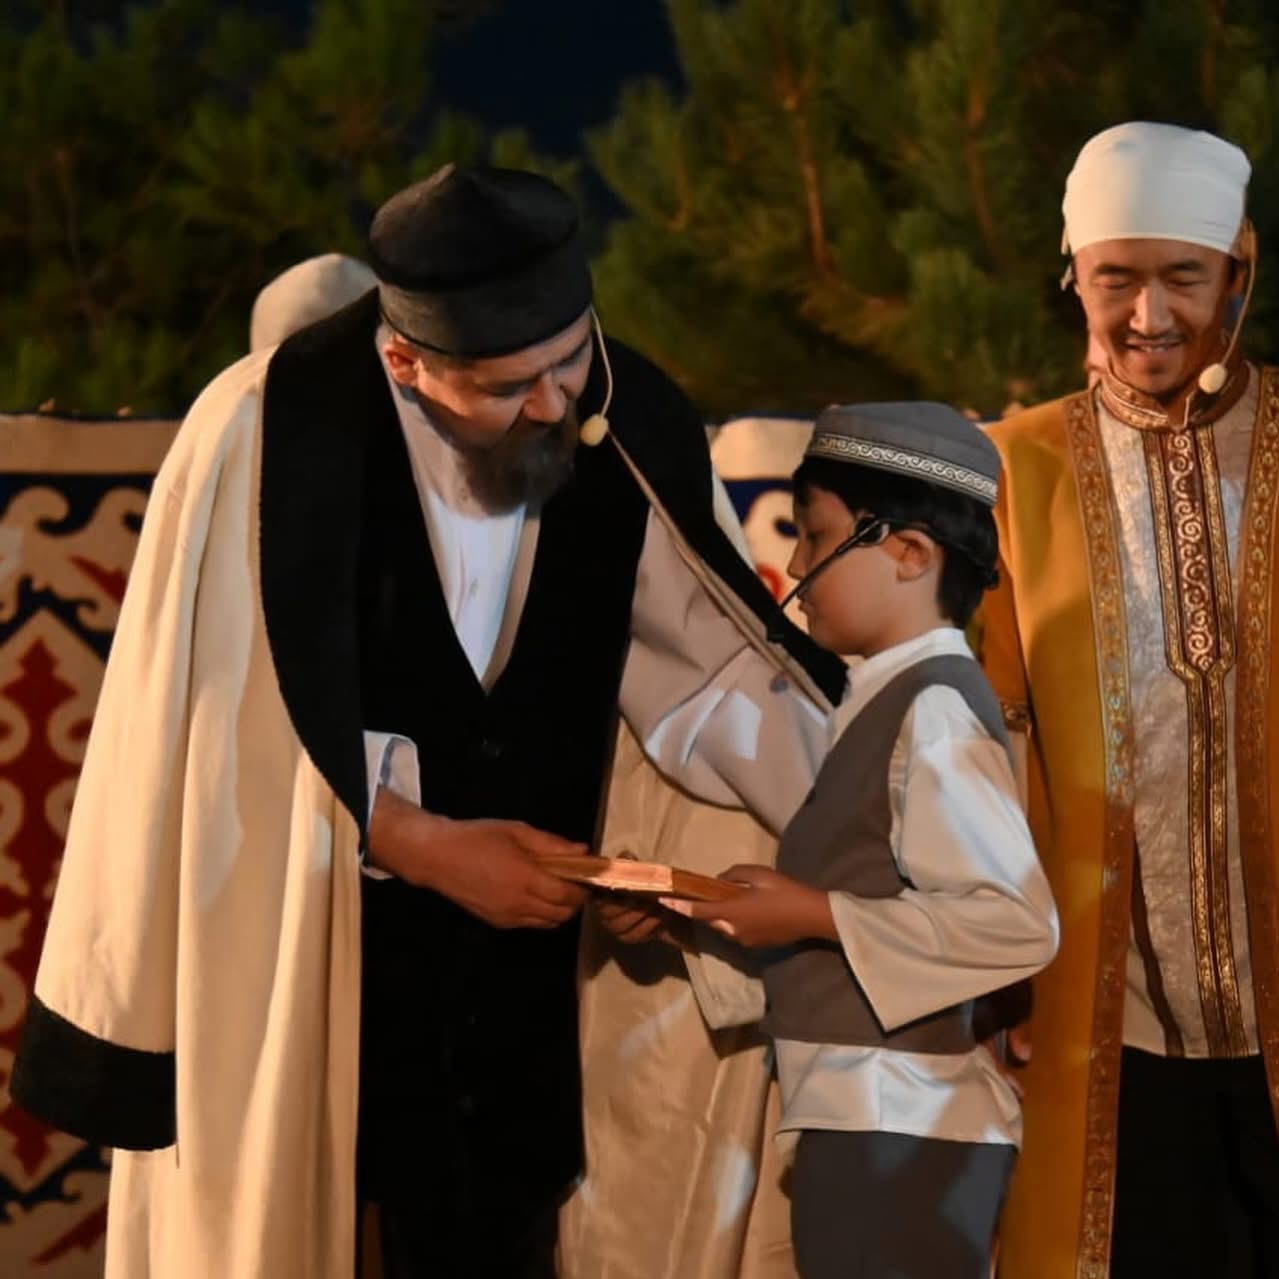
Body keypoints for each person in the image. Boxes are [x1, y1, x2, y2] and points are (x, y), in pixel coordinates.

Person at [10, 164, 845, 1279]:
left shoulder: (620, 415)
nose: (552, 406)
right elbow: (216, 736)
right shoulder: (267, 433)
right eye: (508, 386)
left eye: (568, 360)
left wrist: (855, 846)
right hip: (321, 987)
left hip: (525, 1026)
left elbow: (709, 672)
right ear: (405, 360)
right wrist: (419, 842)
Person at [664, 403, 1058, 1279]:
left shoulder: (936, 709)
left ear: (910, 553)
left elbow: (1013, 924)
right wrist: (701, 916)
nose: (798, 566)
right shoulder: (885, 697)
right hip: (864, 1119)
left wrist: (810, 911)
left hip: (903, 1128)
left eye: (815, 535)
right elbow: (860, 903)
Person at [981, 122, 1279, 1277]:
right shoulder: (1014, 469)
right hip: (1108, 1022)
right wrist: (995, 979)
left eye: (1181, 277)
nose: (1148, 314)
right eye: (1116, 278)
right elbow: (982, 743)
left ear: (1235, 272)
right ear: (1073, 274)